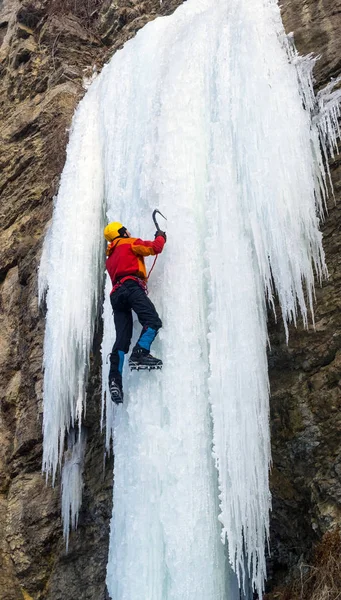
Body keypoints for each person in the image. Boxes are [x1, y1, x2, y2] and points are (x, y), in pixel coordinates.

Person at [104, 221, 166, 404]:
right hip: (131, 287)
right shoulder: (129, 242)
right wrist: (161, 236)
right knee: (153, 321)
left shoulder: (110, 257)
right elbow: (154, 248)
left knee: (122, 340)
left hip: (116, 295)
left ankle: (114, 379)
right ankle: (140, 351)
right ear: (122, 232)